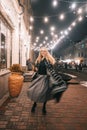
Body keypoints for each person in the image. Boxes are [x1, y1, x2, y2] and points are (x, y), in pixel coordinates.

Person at [27, 47, 67, 115]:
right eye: (41, 51)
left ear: (46, 52)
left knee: (45, 93)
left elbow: (52, 70)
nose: (43, 52)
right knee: (36, 91)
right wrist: (35, 69)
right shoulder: (38, 60)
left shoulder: (48, 60)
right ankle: (34, 104)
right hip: (39, 78)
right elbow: (36, 68)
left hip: (46, 78)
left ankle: (44, 107)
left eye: (44, 51)